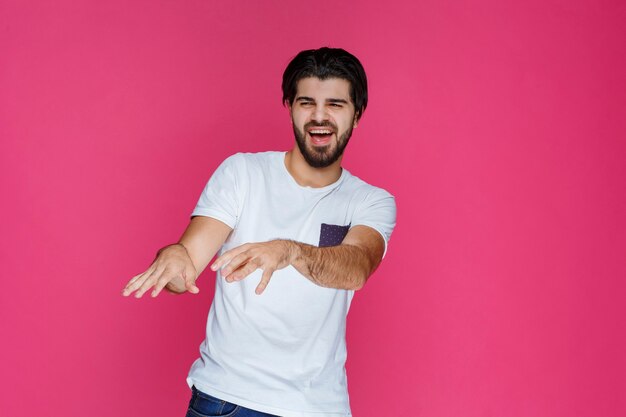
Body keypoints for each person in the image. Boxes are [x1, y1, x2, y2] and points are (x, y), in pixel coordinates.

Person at [122, 47, 397, 417]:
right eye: (306, 103)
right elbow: (188, 261)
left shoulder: (370, 201)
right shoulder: (243, 174)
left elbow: (357, 267)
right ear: (289, 107)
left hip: (319, 407)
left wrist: (290, 251)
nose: (319, 116)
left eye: (335, 104)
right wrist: (173, 259)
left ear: (357, 115)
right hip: (229, 399)